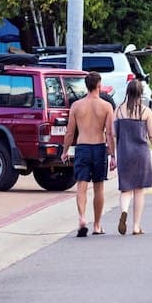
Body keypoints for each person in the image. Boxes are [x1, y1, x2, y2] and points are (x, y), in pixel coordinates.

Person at [62, 71, 116, 236]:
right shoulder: (106, 106)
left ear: (86, 86)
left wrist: (65, 151)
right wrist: (113, 155)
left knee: (81, 185)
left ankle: (82, 218)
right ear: (99, 85)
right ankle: (97, 225)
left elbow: (70, 133)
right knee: (99, 187)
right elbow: (109, 133)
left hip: (82, 147)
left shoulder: (76, 106)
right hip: (99, 147)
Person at [113, 78, 152, 235]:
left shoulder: (118, 111)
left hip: (124, 153)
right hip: (141, 154)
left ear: (127, 92)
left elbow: (114, 134)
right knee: (139, 190)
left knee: (125, 189)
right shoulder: (146, 112)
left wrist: (113, 154)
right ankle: (136, 226)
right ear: (141, 94)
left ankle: (124, 211)